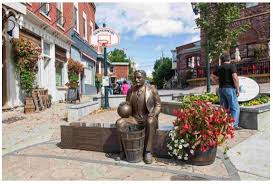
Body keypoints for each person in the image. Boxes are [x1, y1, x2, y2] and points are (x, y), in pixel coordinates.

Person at [116, 70, 161, 164]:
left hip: (147, 117)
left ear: (144, 78)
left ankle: (147, 152)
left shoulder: (152, 89)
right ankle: (122, 151)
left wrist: (154, 113)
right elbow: (128, 105)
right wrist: (123, 106)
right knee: (119, 123)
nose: (136, 80)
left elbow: (158, 105)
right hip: (134, 119)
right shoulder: (130, 90)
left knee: (151, 121)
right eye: (135, 77)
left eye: (139, 77)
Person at [210, 53, 241, 130]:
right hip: (230, 89)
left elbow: (212, 76)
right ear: (229, 59)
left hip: (221, 89)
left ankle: (224, 124)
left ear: (222, 60)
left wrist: (217, 82)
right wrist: (237, 88)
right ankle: (234, 125)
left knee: (224, 108)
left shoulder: (219, 68)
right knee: (235, 108)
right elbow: (235, 78)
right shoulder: (231, 66)